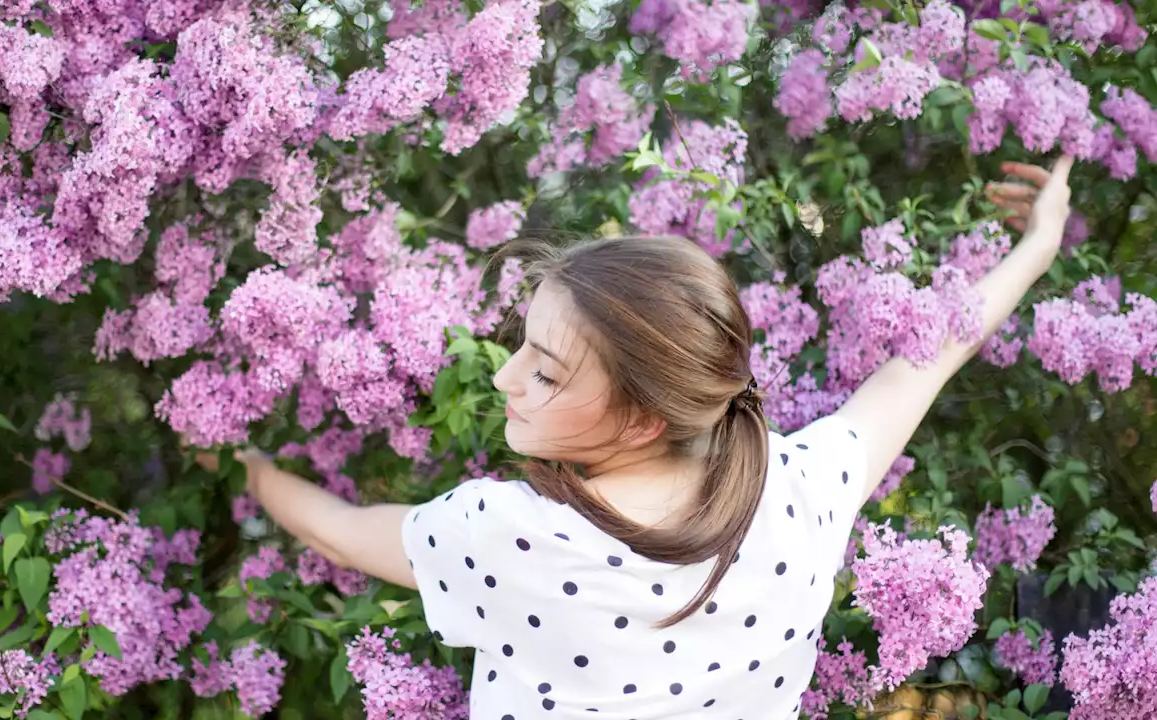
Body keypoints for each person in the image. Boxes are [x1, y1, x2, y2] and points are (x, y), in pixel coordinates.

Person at [196, 157, 1074, 718]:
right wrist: (1036, 248)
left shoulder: (510, 534)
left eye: (544, 370)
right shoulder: (802, 487)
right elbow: (928, 362)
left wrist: (246, 465)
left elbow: (336, 533)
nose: (505, 378)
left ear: (646, 417)